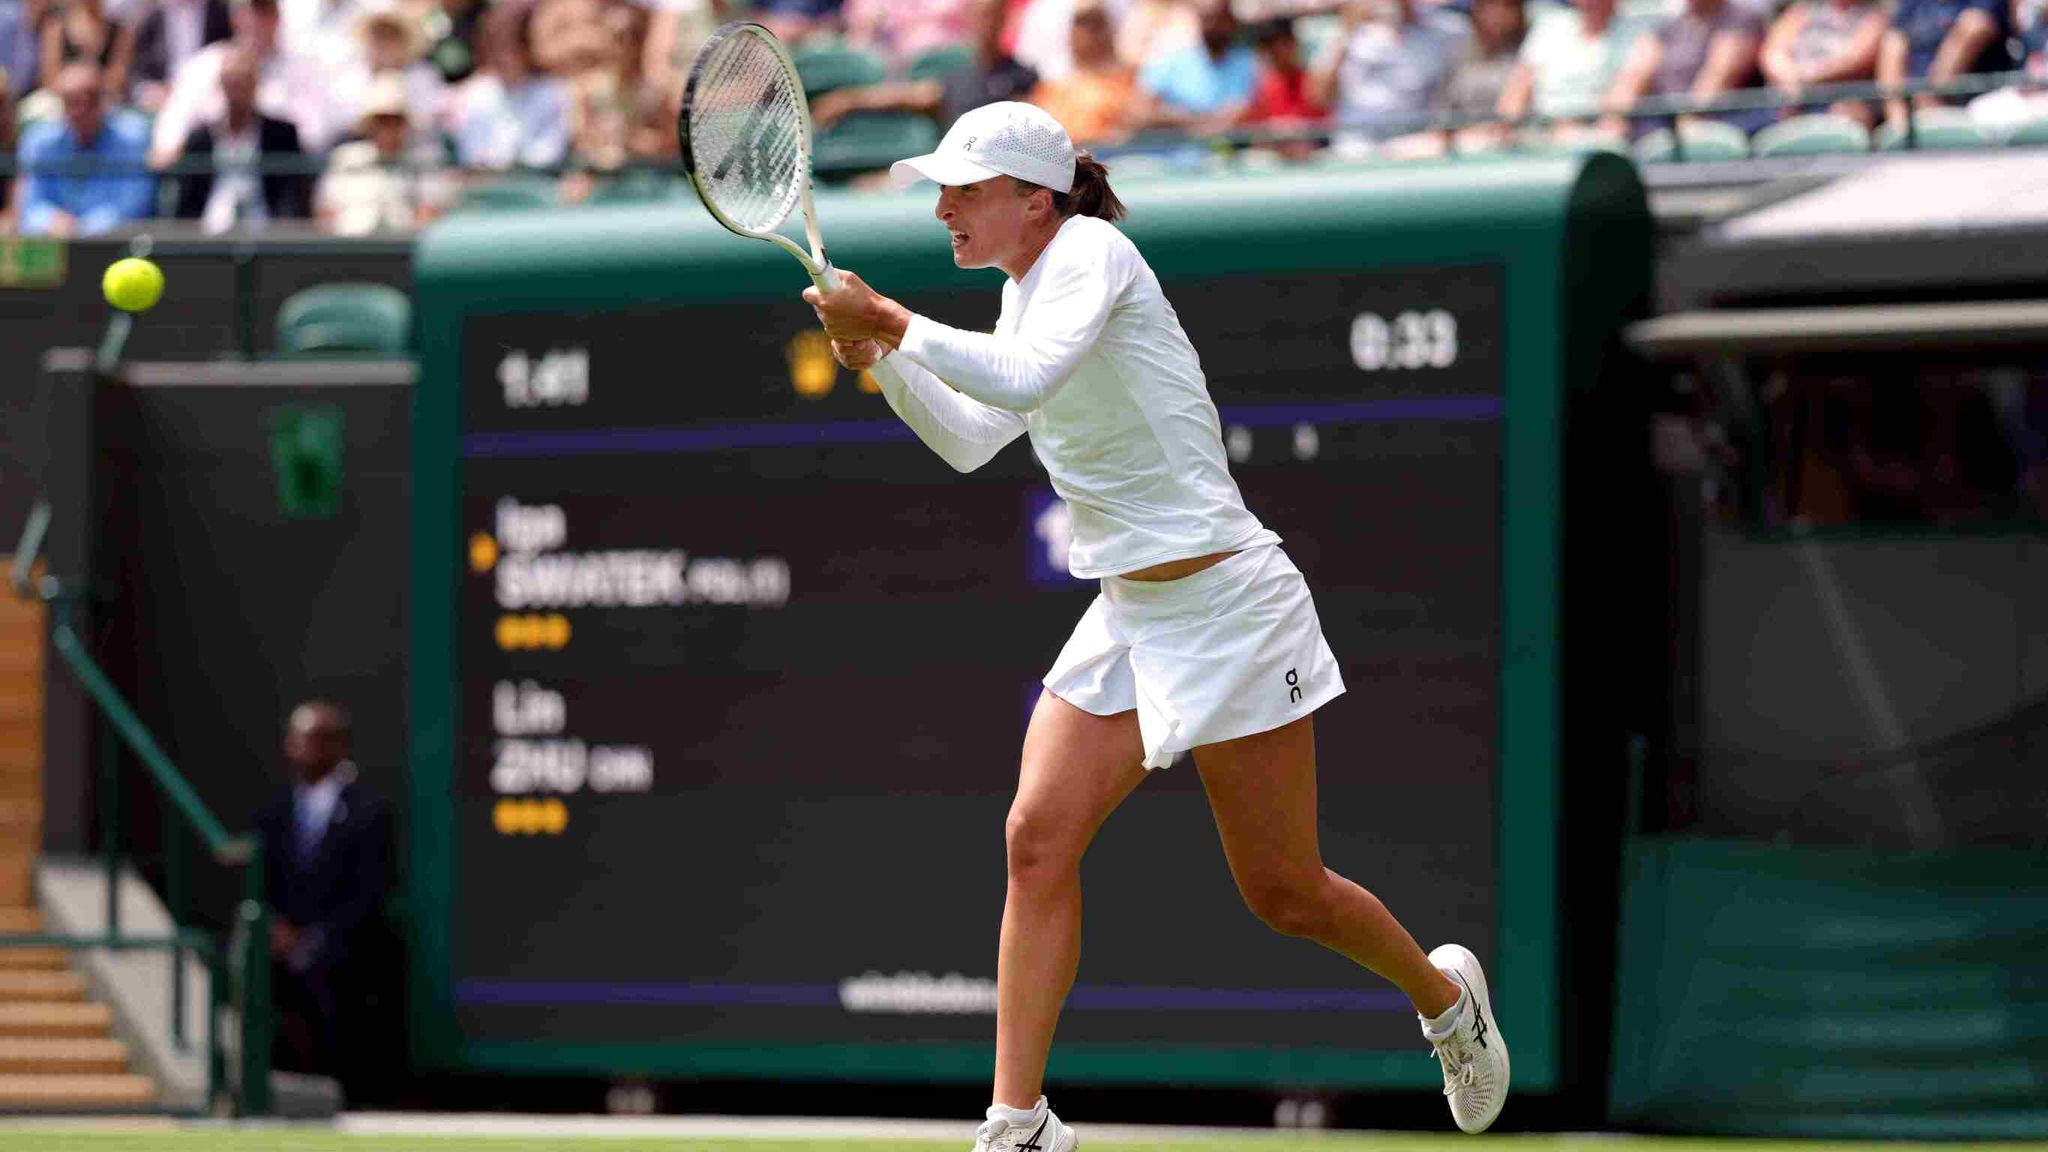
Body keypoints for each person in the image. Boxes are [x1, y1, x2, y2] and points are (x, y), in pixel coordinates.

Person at [802, 100, 1509, 1151]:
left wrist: (893, 322)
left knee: (1285, 893)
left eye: (964, 188)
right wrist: (883, 363)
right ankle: (1017, 1123)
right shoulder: (1018, 294)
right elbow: (966, 437)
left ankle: (1443, 1001)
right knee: (1034, 842)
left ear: (1033, 200)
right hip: (1129, 611)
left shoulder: (1091, 253)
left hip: (1227, 608)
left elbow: (1024, 380)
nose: (942, 206)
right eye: (938, 188)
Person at [254, 701, 394, 1088]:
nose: (299, 747)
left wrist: (316, 937)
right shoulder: (275, 810)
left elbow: (370, 890)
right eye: (295, 738)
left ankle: (339, 1087)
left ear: (337, 746)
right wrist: (278, 928)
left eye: (311, 739)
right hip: (281, 940)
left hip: (342, 944)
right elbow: (262, 881)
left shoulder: (368, 810)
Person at [150, 0, 335, 166]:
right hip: (214, 180)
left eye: (264, 12)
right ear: (234, 17)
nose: (254, 21)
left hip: (276, 182)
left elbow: (316, 135)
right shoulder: (204, 65)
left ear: (277, 16)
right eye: (247, 11)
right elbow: (168, 139)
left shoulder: (303, 66)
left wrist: (258, 121)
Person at [173, 44, 310, 229]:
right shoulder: (200, 139)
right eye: (230, 81)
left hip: (267, 237)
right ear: (220, 85)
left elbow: (291, 199)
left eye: (242, 81)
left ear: (255, 83)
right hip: (209, 239)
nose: (236, 91)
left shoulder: (282, 135)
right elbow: (187, 207)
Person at [1307, 0, 1470, 150]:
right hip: (1357, 144)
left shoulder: (1445, 30)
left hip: (1414, 143)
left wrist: (1411, 17)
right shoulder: (1347, 33)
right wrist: (1348, 32)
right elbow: (1319, 97)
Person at [14, 60, 153, 235]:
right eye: (71, 102)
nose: (79, 110)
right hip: (54, 242)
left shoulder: (133, 137)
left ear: (104, 100)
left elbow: (134, 206)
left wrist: (82, 228)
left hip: (114, 244)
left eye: (89, 99)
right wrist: (51, 220)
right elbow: (30, 205)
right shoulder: (39, 141)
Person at [314, 70, 453, 233]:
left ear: (404, 124)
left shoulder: (424, 162)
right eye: (382, 121)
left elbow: (430, 212)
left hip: (401, 249)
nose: (388, 129)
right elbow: (325, 211)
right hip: (349, 249)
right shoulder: (345, 159)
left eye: (395, 121)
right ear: (370, 125)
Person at [1600, 0, 1766, 136]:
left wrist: (1688, 122)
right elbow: (1633, 76)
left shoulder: (1741, 19)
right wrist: (1613, 123)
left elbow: (1718, 77)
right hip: (1666, 123)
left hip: (1721, 121)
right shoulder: (1667, 27)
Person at [447, 0, 570, 169]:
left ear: (527, 49)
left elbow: (548, 153)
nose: (503, 58)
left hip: (536, 185)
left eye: (509, 49)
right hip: (487, 186)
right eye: (495, 48)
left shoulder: (554, 92)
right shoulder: (474, 94)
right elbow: (472, 154)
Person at [1496, 0, 1635, 142]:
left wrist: (1577, 132)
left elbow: (1620, 106)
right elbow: (1516, 91)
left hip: (1593, 136)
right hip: (1539, 132)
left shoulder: (1634, 33)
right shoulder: (1550, 26)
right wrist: (1505, 129)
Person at [1878, 0, 2014, 132]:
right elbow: (1894, 43)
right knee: (1891, 44)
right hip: (1915, 109)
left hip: (1972, 107)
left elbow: (1977, 27)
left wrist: (1931, 95)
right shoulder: (1913, 4)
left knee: (1971, 23)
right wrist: (1898, 117)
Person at [1132, 0, 1258, 134]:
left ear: (1232, 21)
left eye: (1220, 19)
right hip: (1176, 150)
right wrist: (1192, 119)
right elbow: (1141, 111)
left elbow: (1245, 109)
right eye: (1208, 19)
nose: (1214, 26)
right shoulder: (1170, 60)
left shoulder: (1246, 61)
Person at [1757, 0, 1886, 122]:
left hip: (1838, 99)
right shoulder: (1802, 11)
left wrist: (1804, 79)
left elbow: (1854, 60)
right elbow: (1773, 53)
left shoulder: (1875, 16)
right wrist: (1789, 81)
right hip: (1786, 98)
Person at [1029, 2, 1133, 144]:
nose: (1089, 31)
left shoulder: (1131, 82)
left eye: (1097, 24)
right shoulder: (1052, 87)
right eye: (1082, 23)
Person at [130, 0, 233, 112]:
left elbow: (228, 56)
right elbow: (138, 73)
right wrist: (149, 92)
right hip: (161, 104)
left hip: (207, 101)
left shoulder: (221, 13)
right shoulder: (154, 18)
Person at [39, 0, 134, 99]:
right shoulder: (56, 26)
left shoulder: (119, 31)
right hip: (62, 100)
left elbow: (118, 77)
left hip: (104, 101)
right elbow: (49, 77)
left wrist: (90, 87)